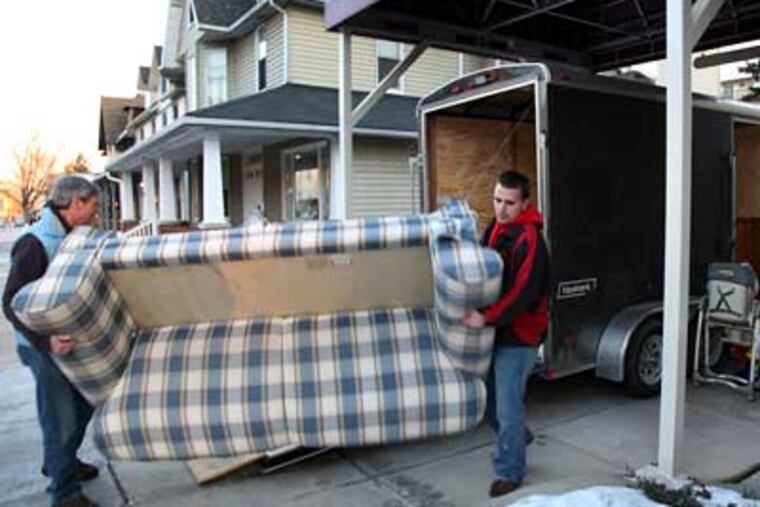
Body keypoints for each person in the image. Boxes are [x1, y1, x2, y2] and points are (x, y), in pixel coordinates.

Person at [3, 176, 102, 507]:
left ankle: (61, 461)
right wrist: (45, 343)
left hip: (67, 343)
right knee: (59, 415)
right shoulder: (34, 243)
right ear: (75, 203)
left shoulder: (71, 237)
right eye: (93, 205)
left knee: (84, 402)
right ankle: (64, 494)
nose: (96, 212)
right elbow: (10, 302)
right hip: (41, 348)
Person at [463, 170, 550, 498]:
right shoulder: (497, 228)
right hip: (498, 329)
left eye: (509, 203)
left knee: (507, 406)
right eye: (497, 200)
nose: (501, 208)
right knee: (489, 400)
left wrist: (484, 318)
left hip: (521, 334)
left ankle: (511, 471)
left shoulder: (530, 239)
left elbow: (523, 293)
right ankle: (518, 437)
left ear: (525, 203)